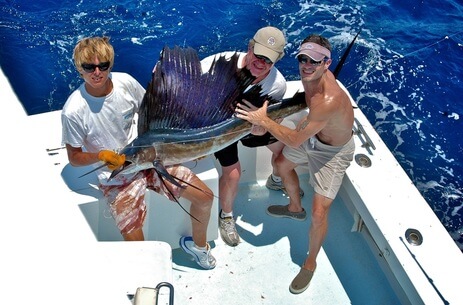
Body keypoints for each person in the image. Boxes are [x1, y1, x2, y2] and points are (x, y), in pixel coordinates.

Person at [61, 36, 216, 270]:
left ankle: (198, 247)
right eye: (89, 67)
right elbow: (73, 158)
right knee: (139, 251)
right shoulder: (73, 110)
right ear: (78, 68)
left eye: (103, 65)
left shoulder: (125, 83)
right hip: (117, 178)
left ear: (110, 65)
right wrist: (100, 155)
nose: (97, 72)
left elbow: (152, 115)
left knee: (205, 197)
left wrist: (187, 147)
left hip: (150, 159)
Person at [235, 34, 355, 293]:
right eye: (303, 59)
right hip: (313, 136)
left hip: (333, 153)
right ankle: (294, 207)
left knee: (320, 213)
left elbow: (294, 139)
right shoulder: (309, 77)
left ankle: (310, 263)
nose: (306, 65)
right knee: (280, 165)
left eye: (314, 61)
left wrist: (264, 121)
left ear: (327, 63)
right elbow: (306, 123)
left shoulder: (329, 100)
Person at [200, 26, 303, 247]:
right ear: (250, 47)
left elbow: (270, 118)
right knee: (234, 174)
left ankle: (276, 181)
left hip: (255, 124)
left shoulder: (277, 85)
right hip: (220, 128)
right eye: (258, 55)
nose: (262, 63)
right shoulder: (217, 64)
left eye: (269, 60)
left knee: (284, 153)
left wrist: (262, 128)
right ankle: (226, 216)